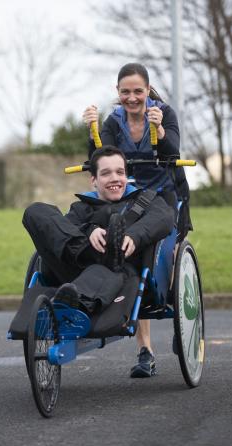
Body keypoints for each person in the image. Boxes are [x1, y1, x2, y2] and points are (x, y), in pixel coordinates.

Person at [22, 145, 174, 377]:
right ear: (93, 180)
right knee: (35, 211)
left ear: (126, 175)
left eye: (120, 172)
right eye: (106, 173)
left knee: (110, 265)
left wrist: (133, 236)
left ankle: (78, 299)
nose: (115, 179)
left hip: (120, 272)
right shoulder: (82, 207)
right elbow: (63, 228)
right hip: (75, 266)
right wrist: (88, 231)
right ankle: (93, 255)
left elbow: (164, 218)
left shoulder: (146, 200)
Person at [82, 62, 192, 377]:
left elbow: (172, 154)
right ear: (118, 93)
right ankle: (145, 350)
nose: (132, 98)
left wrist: (158, 130)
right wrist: (92, 129)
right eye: (126, 92)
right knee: (136, 256)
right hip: (129, 196)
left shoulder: (164, 114)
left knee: (166, 251)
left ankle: (179, 320)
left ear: (147, 91)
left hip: (164, 195)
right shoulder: (114, 121)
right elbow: (100, 157)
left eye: (138, 91)